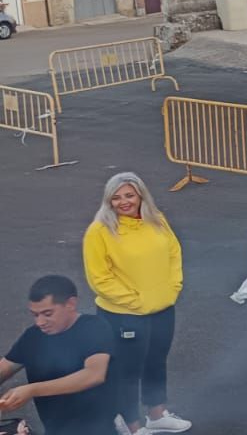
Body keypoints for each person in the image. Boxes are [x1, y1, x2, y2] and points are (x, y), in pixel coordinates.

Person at [82, 174, 190, 435]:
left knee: (156, 361)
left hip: (162, 308)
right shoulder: (99, 231)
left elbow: (174, 253)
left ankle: (156, 414)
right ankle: (132, 424)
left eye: (129, 195)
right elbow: (99, 278)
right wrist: (135, 301)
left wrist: (172, 288)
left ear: (141, 195)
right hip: (124, 314)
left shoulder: (157, 220)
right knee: (127, 370)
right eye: (116, 197)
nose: (123, 202)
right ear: (108, 201)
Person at [0, 276, 118, 435]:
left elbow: (94, 374)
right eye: (35, 315)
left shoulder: (94, 327)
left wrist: (32, 390)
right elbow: (4, 368)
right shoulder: (33, 336)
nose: (40, 322)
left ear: (71, 304)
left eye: (47, 313)